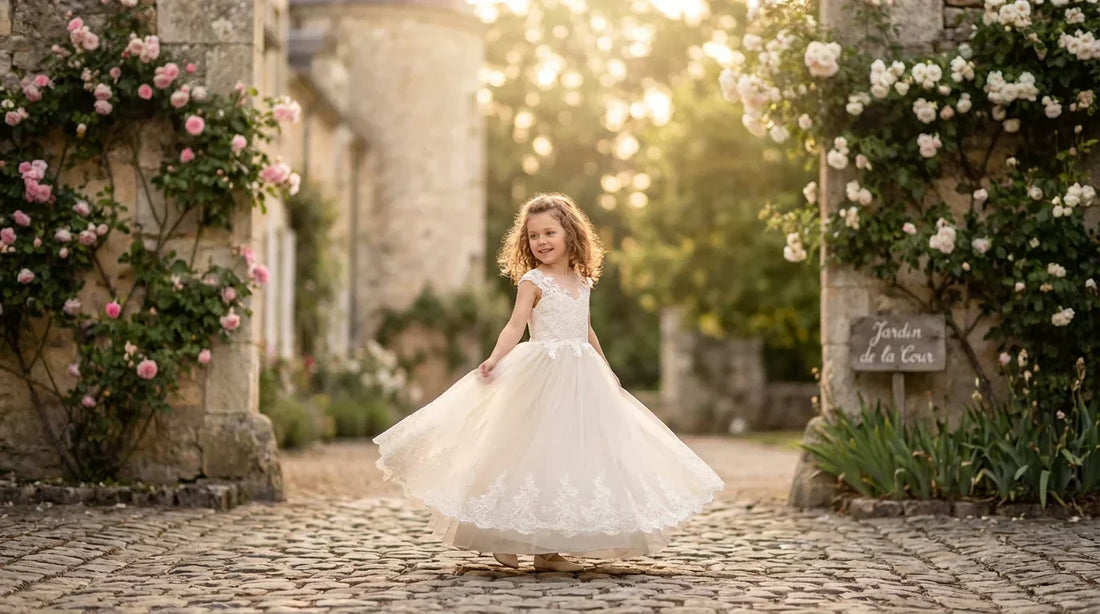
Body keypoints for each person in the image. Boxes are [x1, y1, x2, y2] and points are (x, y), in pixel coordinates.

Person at [373, 192, 724, 572]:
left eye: (549, 233)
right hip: (541, 373)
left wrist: (606, 369)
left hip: (581, 375)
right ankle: (506, 537)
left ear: (570, 234)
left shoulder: (583, 280)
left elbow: (586, 328)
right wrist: (494, 359)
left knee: (568, 456)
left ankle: (547, 551)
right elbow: (515, 325)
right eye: (534, 236)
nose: (541, 242)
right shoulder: (532, 280)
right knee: (527, 453)